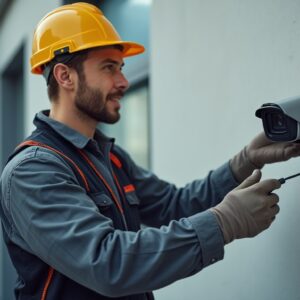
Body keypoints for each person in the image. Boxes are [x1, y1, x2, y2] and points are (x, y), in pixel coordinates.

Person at [1, 2, 300, 300]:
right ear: (65, 76)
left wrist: (244, 161)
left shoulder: (110, 158)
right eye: (108, 67)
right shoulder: (33, 171)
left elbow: (174, 205)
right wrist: (222, 223)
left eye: (121, 68)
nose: (123, 82)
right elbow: (108, 263)